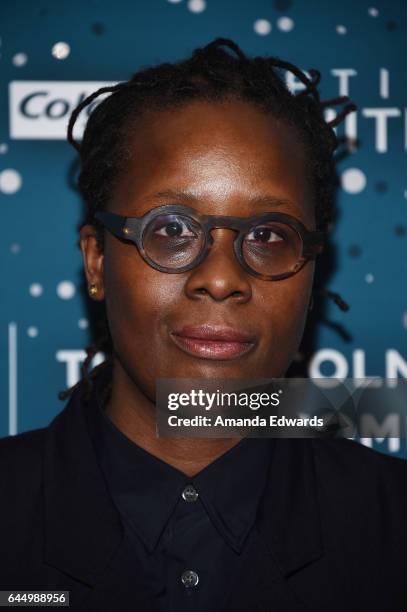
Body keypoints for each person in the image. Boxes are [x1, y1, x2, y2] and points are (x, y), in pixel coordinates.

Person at [1, 38, 406, 612]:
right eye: (171, 230)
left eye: (268, 236)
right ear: (97, 261)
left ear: (312, 271)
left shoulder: (391, 525)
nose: (221, 279)